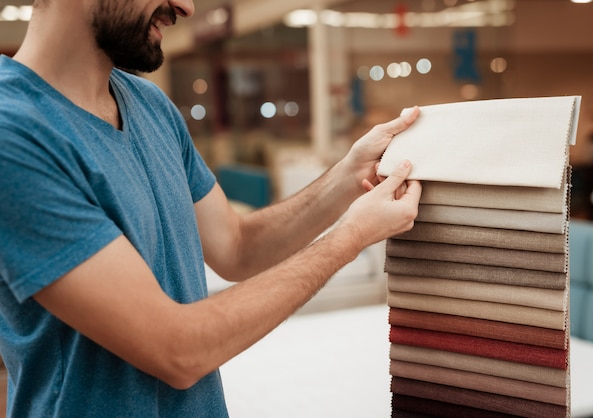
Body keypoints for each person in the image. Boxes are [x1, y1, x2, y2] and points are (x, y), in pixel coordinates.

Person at [0, 0, 422, 416]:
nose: (186, 7)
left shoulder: (150, 105)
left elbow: (237, 248)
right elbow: (178, 349)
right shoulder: (13, 135)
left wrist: (347, 176)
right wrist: (351, 237)